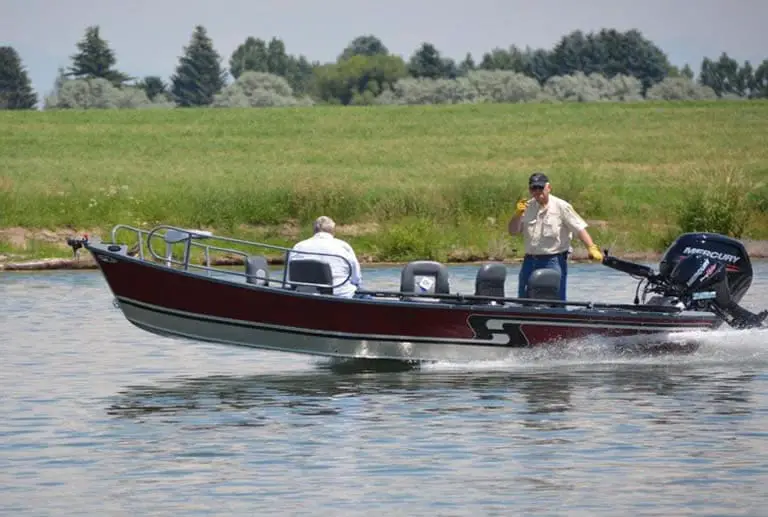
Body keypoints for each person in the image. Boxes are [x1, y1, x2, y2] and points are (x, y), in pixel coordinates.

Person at [507, 172, 604, 300]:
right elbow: (513, 231)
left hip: (553, 261)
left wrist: (591, 247)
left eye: (540, 188)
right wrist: (517, 214)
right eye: (533, 188)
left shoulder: (561, 206)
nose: (537, 191)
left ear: (548, 188)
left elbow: (579, 228)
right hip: (530, 261)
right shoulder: (527, 207)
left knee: (555, 299)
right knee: (524, 299)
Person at [288, 216, 362, 298]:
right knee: (362, 292)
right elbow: (356, 278)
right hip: (340, 295)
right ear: (333, 230)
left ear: (314, 230)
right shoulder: (343, 246)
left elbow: (290, 276)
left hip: (304, 295)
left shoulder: (298, 246)